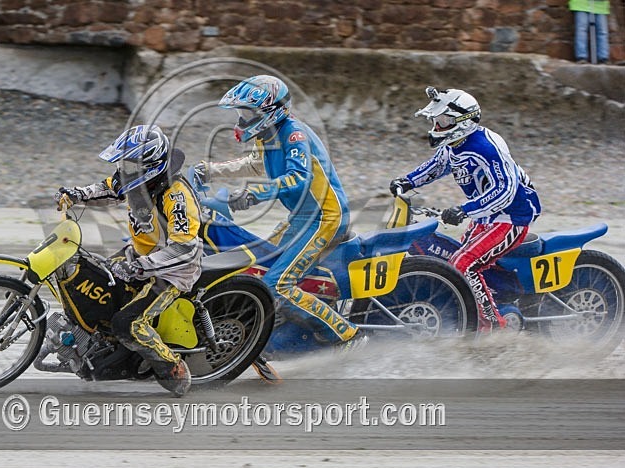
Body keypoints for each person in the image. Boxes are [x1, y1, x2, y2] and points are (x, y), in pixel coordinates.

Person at [194, 75, 365, 348]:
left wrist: (254, 194)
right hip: (300, 218)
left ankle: (348, 335)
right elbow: (253, 164)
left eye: (247, 113)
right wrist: (211, 170)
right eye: (241, 113)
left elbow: (299, 178)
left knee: (277, 285)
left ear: (270, 111)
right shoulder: (267, 134)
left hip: (324, 218)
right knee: (258, 268)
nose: (241, 120)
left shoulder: (293, 134)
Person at [54, 124, 203, 397]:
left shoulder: (177, 197)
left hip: (173, 272)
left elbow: (184, 249)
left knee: (128, 324)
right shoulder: (136, 180)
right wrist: (77, 194)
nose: (124, 169)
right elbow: (108, 188)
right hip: (138, 255)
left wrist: (138, 267)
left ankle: (172, 367)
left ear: (150, 166)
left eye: (130, 164)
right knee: (93, 279)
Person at [389, 86, 542, 333]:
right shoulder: (454, 144)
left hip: (512, 217)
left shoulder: (486, 147)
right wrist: (407, 181)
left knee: (464, 264)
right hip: (486, 214)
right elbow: (436, 166)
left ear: (464, 120)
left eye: (444, 121)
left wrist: (465, 209)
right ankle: (489, 299)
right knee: (455, 261)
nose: (438, 126)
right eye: (437, 121)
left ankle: (493, 327)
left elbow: (507, 191)